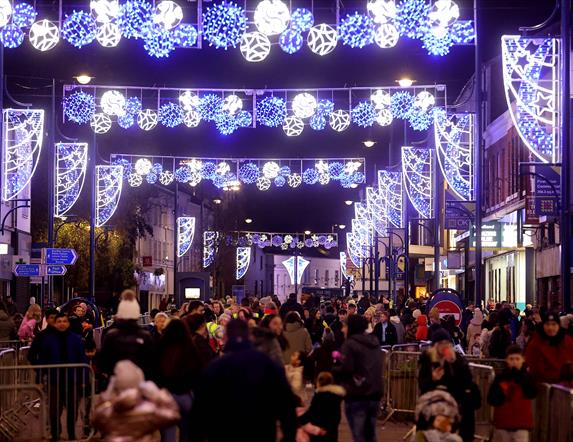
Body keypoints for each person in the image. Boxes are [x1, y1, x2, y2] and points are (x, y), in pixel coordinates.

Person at [192, 319, 297, 441]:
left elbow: (199, 411)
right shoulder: (266, 363)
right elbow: (286, 402)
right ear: (249, 336)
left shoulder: (214, 368)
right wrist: (288, 435)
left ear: (225, 338)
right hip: (261, 432)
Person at [418, 329, 480, 442]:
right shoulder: (428, 360)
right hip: (434, 407)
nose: (444, 347)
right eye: (441, 344)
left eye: (447, 343)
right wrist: (433, 379)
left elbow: (467, 381)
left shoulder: (457, 360)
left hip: (455, 406)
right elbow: (423, 385)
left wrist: (453, 364)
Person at [34, 312, 87, 441]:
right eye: (59, 321)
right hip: (54, 380)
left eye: (64, 321)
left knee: (72, 409)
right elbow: (43, 360)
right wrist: (39, 378)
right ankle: (55, 433)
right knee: (54, 410)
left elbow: (83, 360)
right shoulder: (48, 340)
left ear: (68, 323)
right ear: (55, 323)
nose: (62, 324)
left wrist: (84, 379)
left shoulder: (76, 340)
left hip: (72, 379)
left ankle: (71, 433)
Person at [334, 315, 383, 442]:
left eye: (345, 326)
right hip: (374, 394)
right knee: (370, 435)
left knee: (359, 436)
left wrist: (334, 368)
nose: (342, 330)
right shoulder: (374, 342)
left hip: (357, 394)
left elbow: (346, 369)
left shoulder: (350, 344)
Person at [154, 319, 201, 442]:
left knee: (168, 434)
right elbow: (197, 371)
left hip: (167, 395)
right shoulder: (190, 347)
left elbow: (154, 371)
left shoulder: (160, 347)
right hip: (185, 394)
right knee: (187, 432)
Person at [100, 290, 154, 379]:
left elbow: (104, 362)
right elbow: (151, 363)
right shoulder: (145, 336)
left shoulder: (111, 335)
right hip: (139, 382)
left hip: (117, 381)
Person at [487, 345, 536, 442]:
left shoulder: (527, 378)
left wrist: (521, 378)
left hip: (521, 424)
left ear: (523, 360)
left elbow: (532, 393)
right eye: (511, 359)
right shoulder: (500, 378)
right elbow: (492, 399)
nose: (514, 362)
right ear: (507, 360)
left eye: (517, 359)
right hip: (503, 423)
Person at [524, 311, 573, 383]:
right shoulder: (536, 342)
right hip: (542, 385)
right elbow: (533, 366)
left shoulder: (567, 340)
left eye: (554, 324)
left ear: (558, 325)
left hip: (565, 385)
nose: (550, 328)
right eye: (547, 324)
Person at [299, 372, 345, 442]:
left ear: (319, 382)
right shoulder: (336, 397)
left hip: (319, 431)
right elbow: (337, 416)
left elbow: (312, 412)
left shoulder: (320, 396)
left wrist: (300, 419)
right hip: (332, 432)